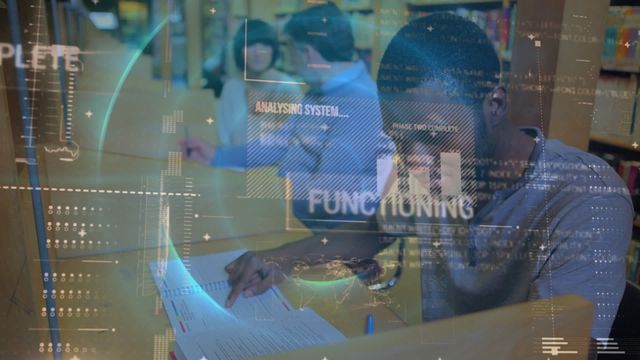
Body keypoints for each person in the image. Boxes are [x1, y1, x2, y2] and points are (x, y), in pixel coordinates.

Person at [223, 12, 633, 353]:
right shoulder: (444, 169)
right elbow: (375, 229)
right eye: (400, 140)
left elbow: (556, 349)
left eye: (435, 138)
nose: (417, 164)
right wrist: (281, 258)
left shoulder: (584, 197)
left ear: (494, 104)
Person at [182, 2, 391, 230]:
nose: (289, 59)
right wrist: (218, 156)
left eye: (290, 49)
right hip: (299, 223)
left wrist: (281, 179)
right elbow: (281, 142)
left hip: (329, 239)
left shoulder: (360, 102)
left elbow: (327, 192)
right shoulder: (320, 90)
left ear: (307, 52)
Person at [216, 19, 300, 146]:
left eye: (265, 44)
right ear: (240, 50)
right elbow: (225, 138)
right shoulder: (232, 87)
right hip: (233, 163)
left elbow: (294, 142)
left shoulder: (287, 88)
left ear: (274, 49)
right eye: (250, 45)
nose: (258, 52)